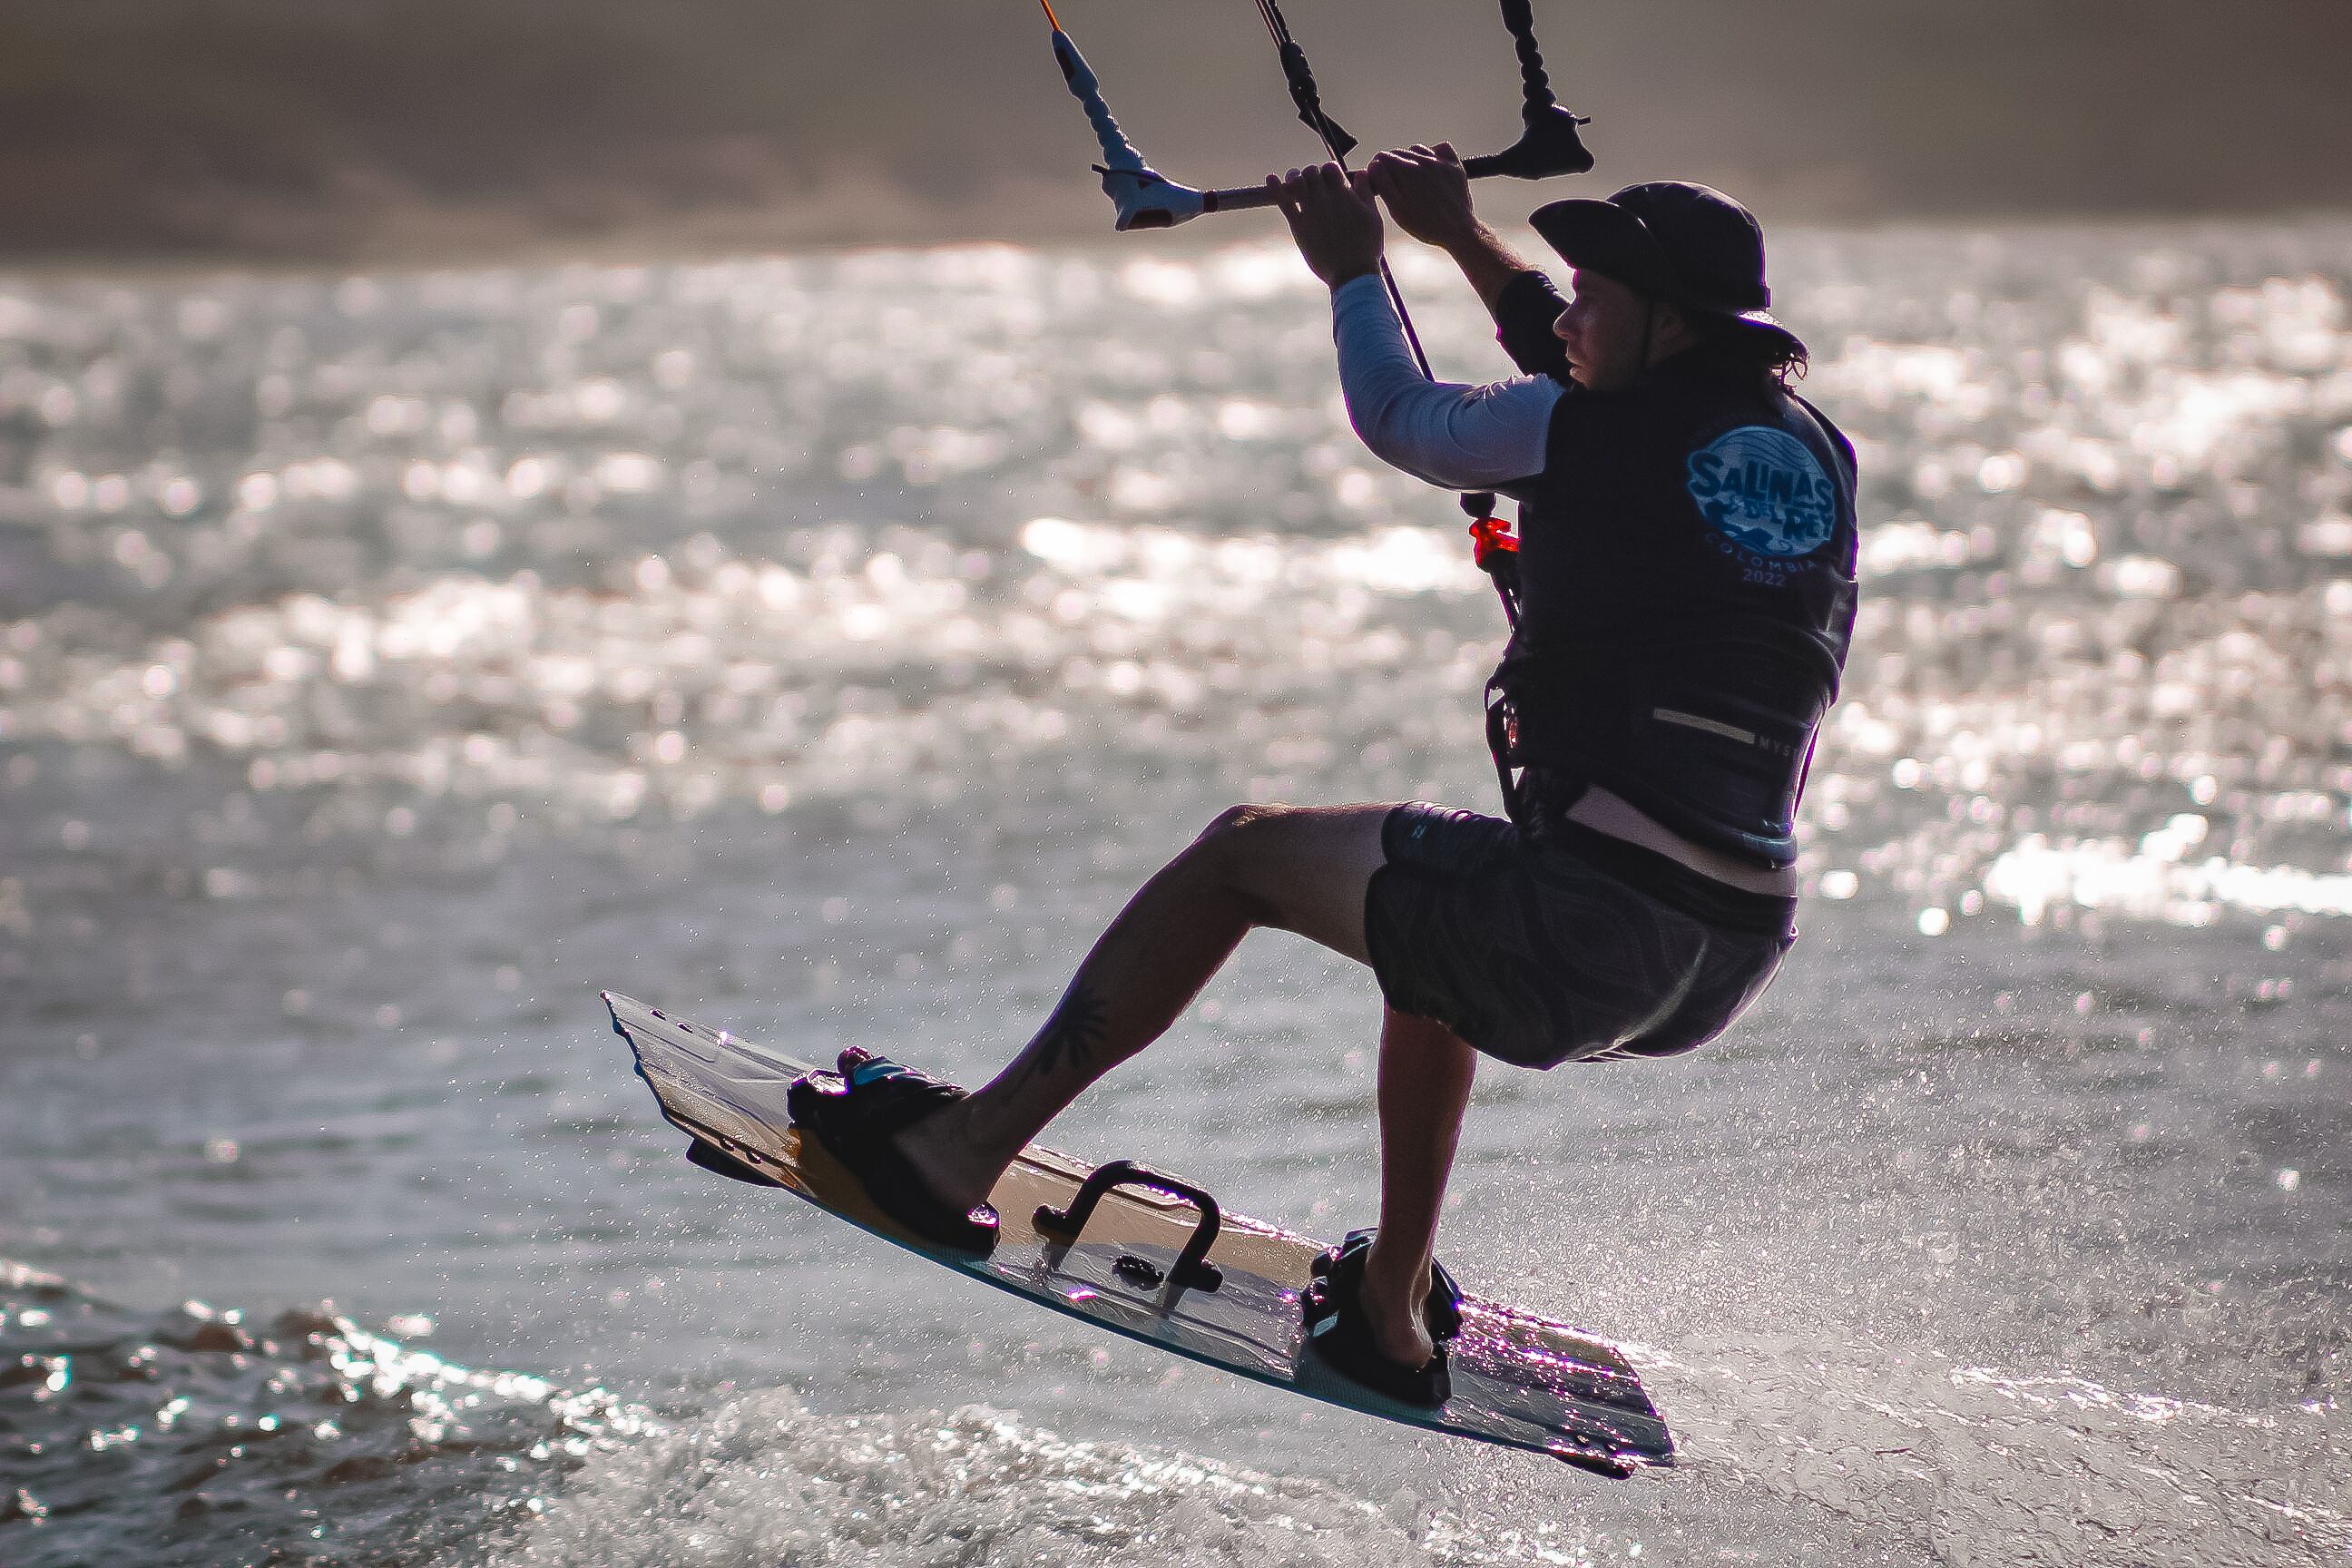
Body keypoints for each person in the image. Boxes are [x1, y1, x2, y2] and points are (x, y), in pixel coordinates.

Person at [789, 148, 1859, 1406]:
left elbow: (1405, 419)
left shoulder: (1584, 425)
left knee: (1242, 852)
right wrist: (1457, 234)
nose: (1566, 315)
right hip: (1724, 951)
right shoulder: (1802, 448)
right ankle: (1388, 1309)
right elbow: (1573, 362)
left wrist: (1358, 271)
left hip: (1594, 918)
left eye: (1595, 294)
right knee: (1430, 924)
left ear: (1667, 318)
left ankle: (956, 1153)